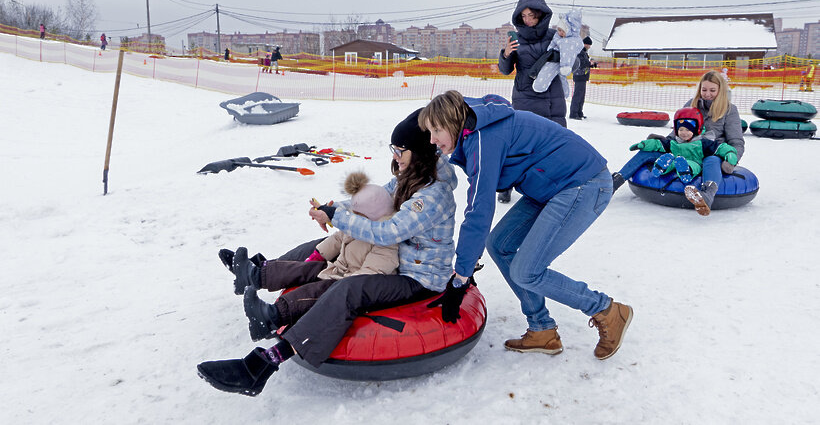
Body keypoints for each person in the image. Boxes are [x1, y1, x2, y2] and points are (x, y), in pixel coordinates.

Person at [197, 110, 460, 396]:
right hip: (394, 259)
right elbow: (379, 200)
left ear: (419, 151)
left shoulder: (432, 196)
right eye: (393, 149)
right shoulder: (409, 177)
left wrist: (341, 217)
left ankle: (262, 365)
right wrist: (335, 208)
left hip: (417, 277)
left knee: (349, 289)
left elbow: (390, 231)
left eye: (400, 149)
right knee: (324, 247)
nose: (395, 155)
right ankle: (256, 274)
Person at [419, 90, 633, 361]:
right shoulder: (474, 128)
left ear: (453, 121)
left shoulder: (483, 139)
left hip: (582, 183)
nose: (432, 139)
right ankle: (542, 328)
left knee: (528, 271)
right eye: (429, 131)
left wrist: (461, 276)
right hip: (550, 186)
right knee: (500, 245)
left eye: (437, 130)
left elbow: (479, 209)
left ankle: (607, 310)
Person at [234, 170, 400, 342]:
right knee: (305, 269)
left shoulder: (386, 241)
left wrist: (342, 286)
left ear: (373, 216)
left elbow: (370, 273)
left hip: (348, 282)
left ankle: (272, 317)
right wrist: (317, 255)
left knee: (315, 292)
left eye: (358, 215)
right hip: (339, 269)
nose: (353, 219)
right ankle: (254, 276)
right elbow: (337, 238)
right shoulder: (359, 224)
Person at [612, 70, 745, 216]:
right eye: (704, 89)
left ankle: (706, 195)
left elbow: (736, 141)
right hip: (683, 147)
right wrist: (665, 141)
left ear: (720, 91)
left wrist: (732, 159)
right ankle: (616, 181)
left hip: (709, 151)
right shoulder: (692, 104)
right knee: (648, 151)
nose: (707, 94)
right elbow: (678, 128)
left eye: (712, 90)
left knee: (712, 160)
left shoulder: (729, 110)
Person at [496, 0, 566, 204]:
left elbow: (573, 60)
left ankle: (552, 185)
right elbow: (505, 70)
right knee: (518, 145)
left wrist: (570, 44)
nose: (527, 20)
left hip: (552, 96)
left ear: (541, 15)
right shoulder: (515, 38)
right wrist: (506, 54)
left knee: (554, 144)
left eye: (531, 15)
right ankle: (506, 185)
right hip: (525, 96)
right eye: (524, 16)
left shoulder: (555, 35)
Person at [626, 108, 738, 184]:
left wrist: (730, 153)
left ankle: (686, 171)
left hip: (694, 162)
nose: (684, 133)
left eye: (688, 130)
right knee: (672, 162)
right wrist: (644, 144)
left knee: (693, 165)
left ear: (696, 130)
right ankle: (660, 167)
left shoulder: (703, 143)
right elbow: (658, 144)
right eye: (681, 129)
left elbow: (719, 147)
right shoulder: (674, 142)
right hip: (676, 161)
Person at [568, 36, 594, 120]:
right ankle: (573, 113)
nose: (589, 47)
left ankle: (579, 112)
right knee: (577, 95)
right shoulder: (579, 52)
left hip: (583, 76)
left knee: (581, 96)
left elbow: (586, 63)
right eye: (588, 45)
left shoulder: (584, 52)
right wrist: (589, 64)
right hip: (579, 76)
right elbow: (580, 63)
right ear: (585, 44)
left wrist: (592, 64)